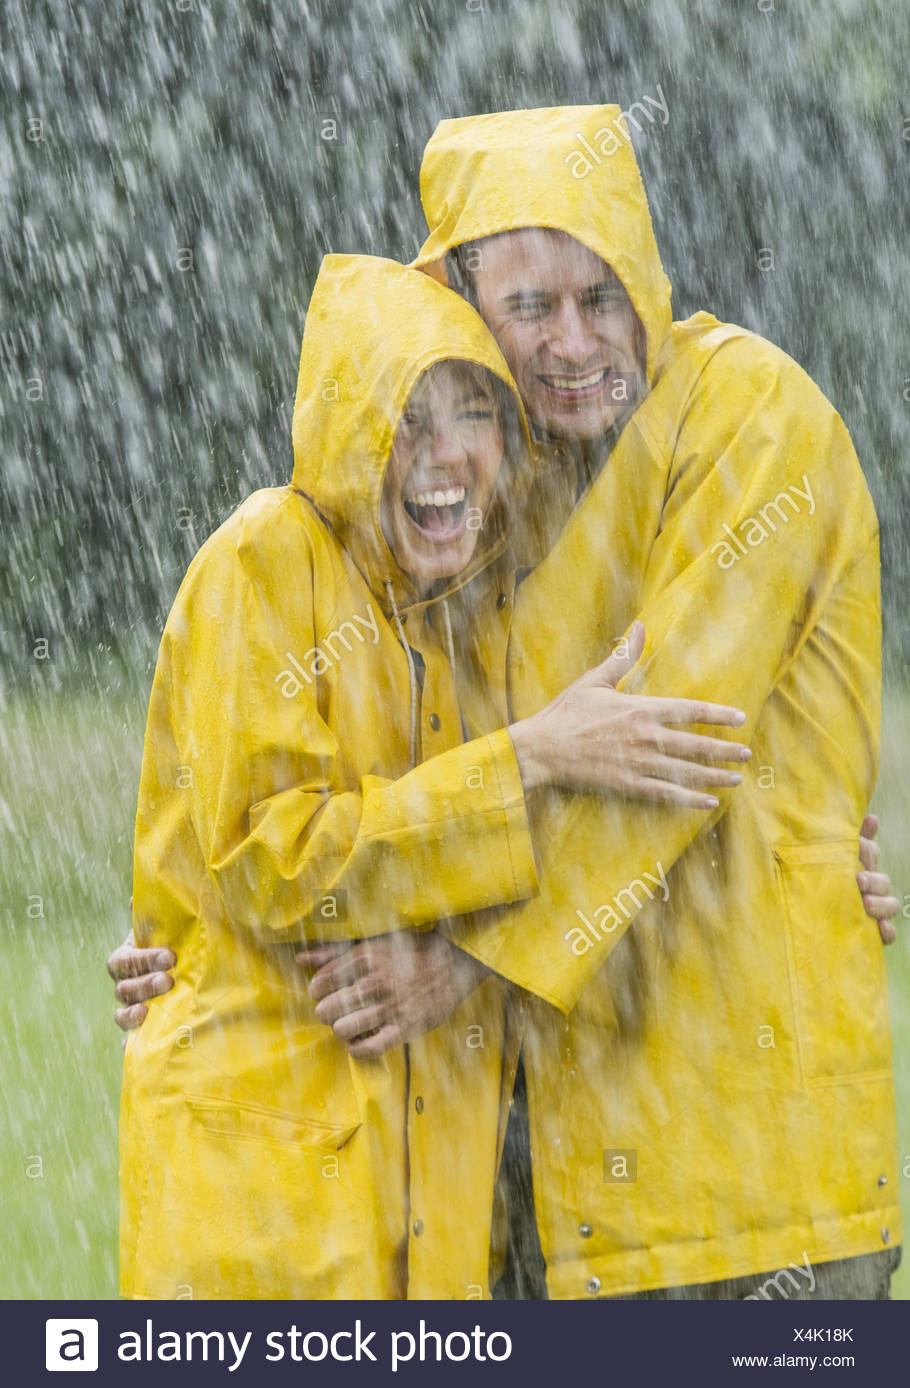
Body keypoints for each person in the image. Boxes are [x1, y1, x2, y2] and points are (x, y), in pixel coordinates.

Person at [112, 106, 902, 1300]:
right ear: (460, 313)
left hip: (753, 1195)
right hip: (540, 1197)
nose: (574, 340)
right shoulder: (473, 510)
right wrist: (203, 944)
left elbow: (662, 764)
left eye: (601, 294)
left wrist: (458, 966)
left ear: (646, 279)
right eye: (529, 309)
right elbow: (374, 788)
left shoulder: (751, 415)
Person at [119, 251, 748, 1300]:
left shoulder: (476, 613)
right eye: (407, 418)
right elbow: (275, 862)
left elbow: (601, 835)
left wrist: (805, 851)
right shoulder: (263, 558)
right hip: (263, 1221)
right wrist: (530, 755)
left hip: (426, 1226)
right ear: (345, 431)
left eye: (475, 416)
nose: (444, 456)